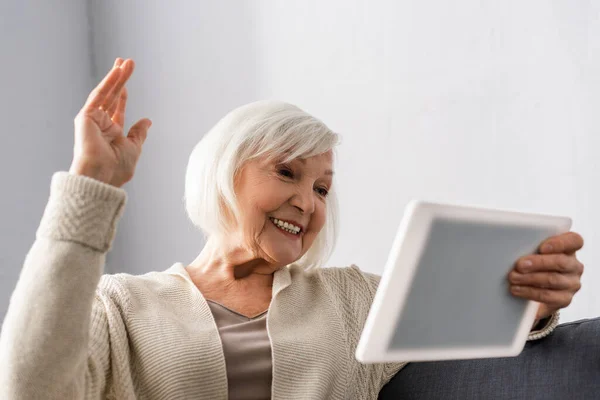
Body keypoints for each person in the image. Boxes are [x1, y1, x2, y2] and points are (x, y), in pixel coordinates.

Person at [0, 58, 585, 400]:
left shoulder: (352, 299)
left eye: (323, 188)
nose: (307, 201)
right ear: (226, 173)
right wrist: (89, 188)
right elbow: (27, 386)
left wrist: (532, 300)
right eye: (288, 173)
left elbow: (460, 315)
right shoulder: (122, 307)